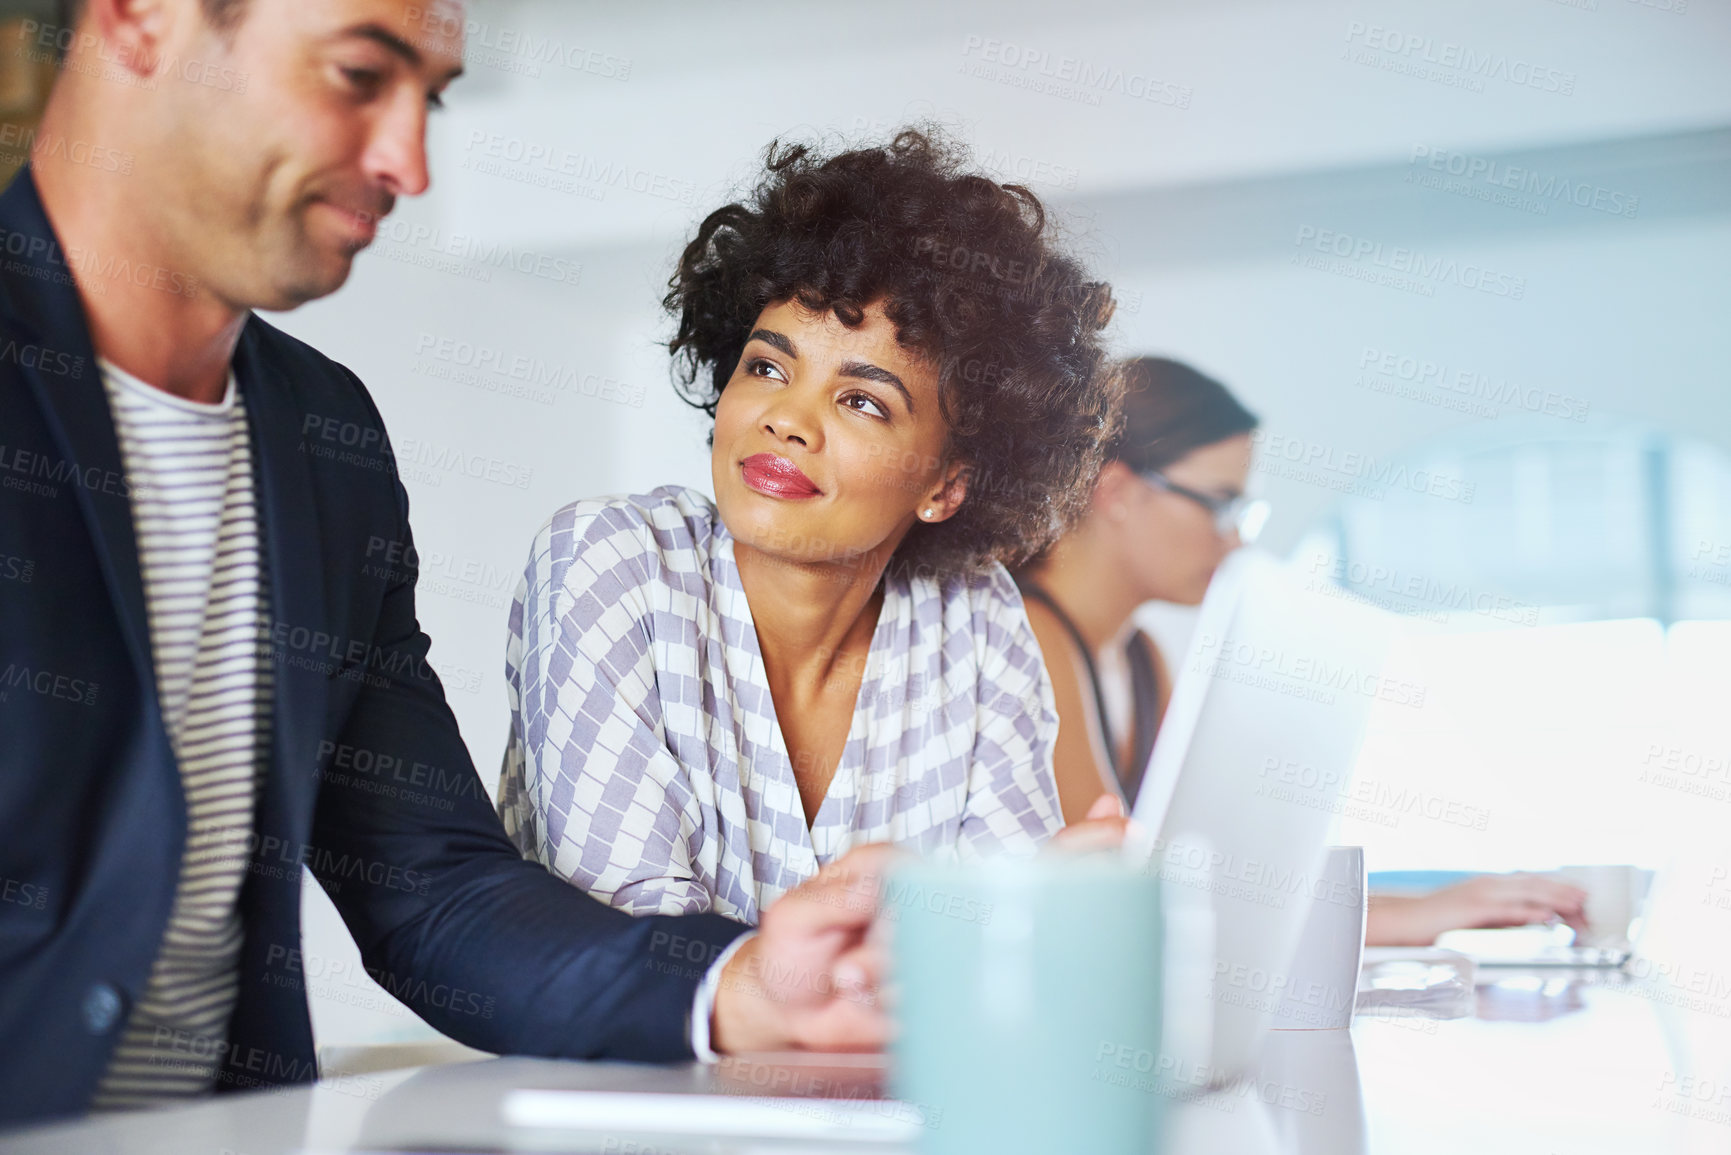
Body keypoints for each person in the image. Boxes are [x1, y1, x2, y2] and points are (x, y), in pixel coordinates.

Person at [0, 0, 891, 1126]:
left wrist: (736, 986)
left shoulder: (324, 431)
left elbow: (430, 886)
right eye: (360, 74)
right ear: (138, 19)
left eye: (431, 97)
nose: (409, 163)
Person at [495, 129, 1124, 923]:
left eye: (862, 400)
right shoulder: (610, 563)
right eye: (767, 367)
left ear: (946, 483)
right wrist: (954, 929)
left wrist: (1042, 909)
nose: (787, 418)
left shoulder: (976, 618)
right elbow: (640, 945)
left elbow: (991, 953)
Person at [1017, 356, 1588, 946]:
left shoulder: (1140, 659)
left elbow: (1205, 880)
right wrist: (1414, 917)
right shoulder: (1030, 639)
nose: (1233, 537)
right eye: (1219, 503)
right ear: (1116, 491)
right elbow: (1134, 892)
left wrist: (1429, 906)